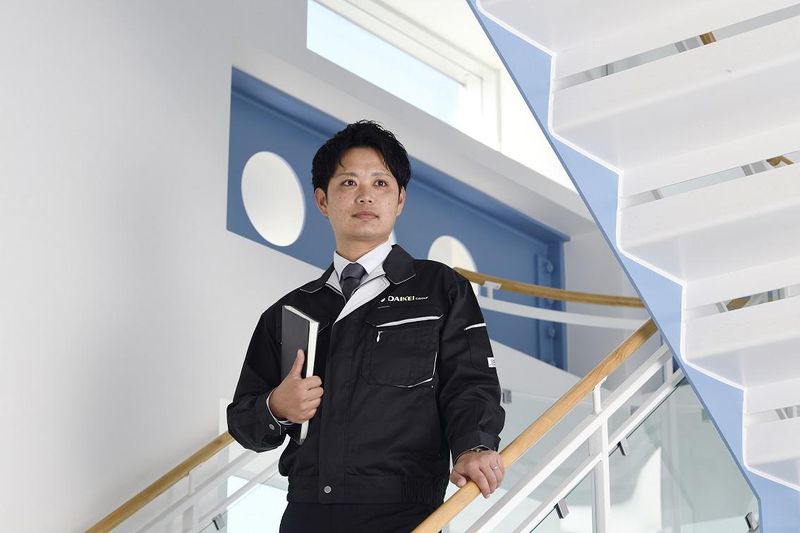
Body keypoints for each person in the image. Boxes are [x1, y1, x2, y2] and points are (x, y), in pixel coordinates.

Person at [227, 120, 505, 532]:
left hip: (404, 514)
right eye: (348, 182)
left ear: (400, 199)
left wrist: (474, 446)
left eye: (380, 183)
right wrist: (276, 408)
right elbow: (243, 421)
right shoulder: (289, 311)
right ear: (322, 200)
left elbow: (470, 384)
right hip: (306, 515)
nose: (365, 195)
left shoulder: (439, 289)